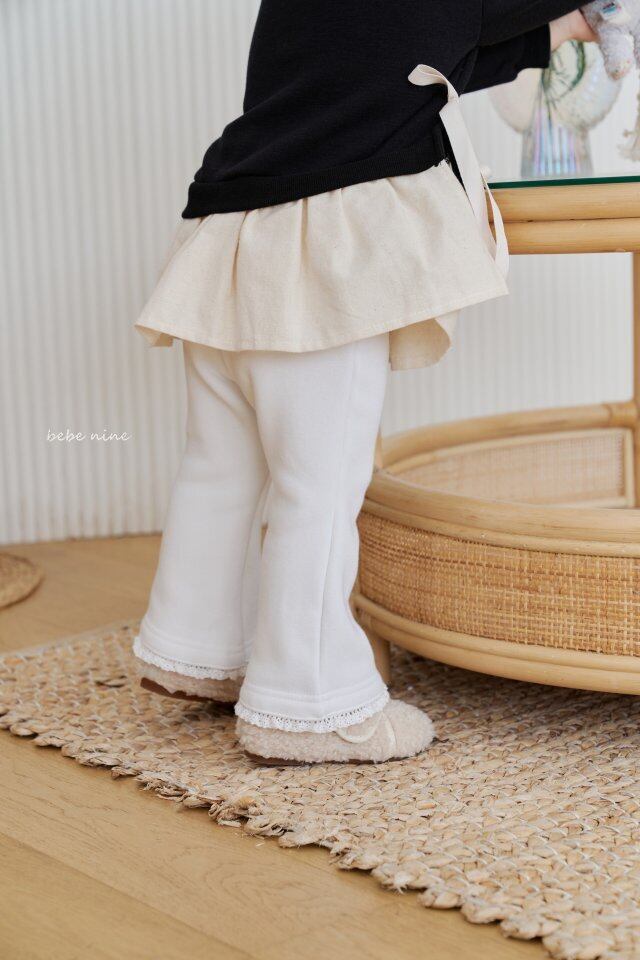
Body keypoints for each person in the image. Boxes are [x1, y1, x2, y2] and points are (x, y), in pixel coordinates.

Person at [132, 3, 596, 765]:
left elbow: (430, 57)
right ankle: (308, 706)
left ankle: (196, 648)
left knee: (221, 467)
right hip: (323, 251)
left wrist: (560, 30)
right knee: (317, 488)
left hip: (232, 230)